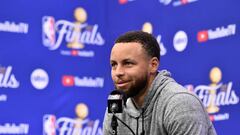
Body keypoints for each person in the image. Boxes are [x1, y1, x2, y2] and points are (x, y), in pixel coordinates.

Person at [103, 31, 217, 135]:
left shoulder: (180, 103)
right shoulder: (116, 108)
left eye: (128, 63)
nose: (118, 72)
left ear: (153, 65)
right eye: (114, 65)